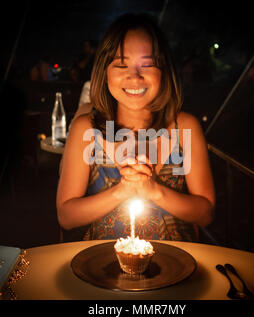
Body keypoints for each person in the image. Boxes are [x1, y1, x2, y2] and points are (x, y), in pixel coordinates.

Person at [56, 13, 215, 241]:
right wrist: (122, 191)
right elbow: (66, 216)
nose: (135, 77)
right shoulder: (86, 130)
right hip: (100, 268)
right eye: (121, 64)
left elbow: (206, 213)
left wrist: (154, 190)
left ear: (164, 71)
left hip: (179, 266)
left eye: (147, 64)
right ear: (104, 72)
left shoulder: (185, 128)